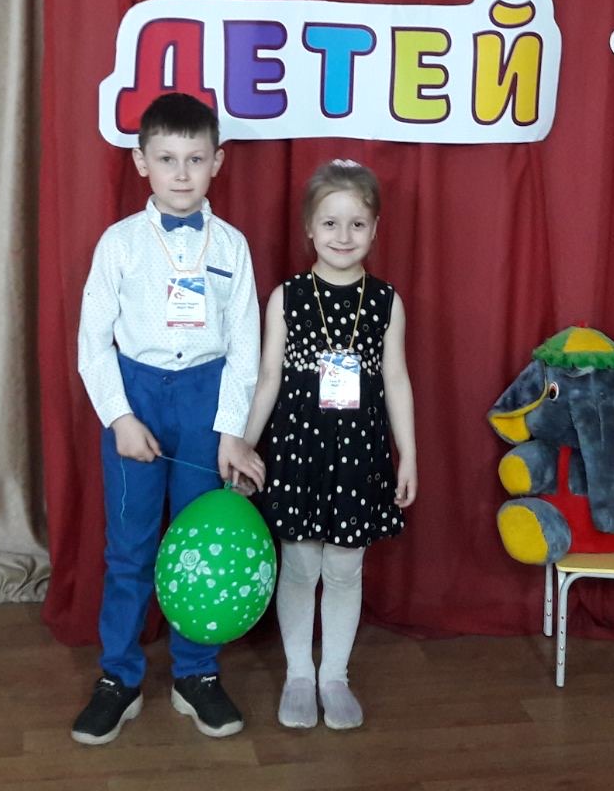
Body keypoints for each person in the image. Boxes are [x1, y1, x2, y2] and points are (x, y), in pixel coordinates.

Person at [70, 92, 266, 746]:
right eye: (167, 159)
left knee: (200, 547)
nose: (182, 173)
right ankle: (119, 677)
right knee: (129, 547)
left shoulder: (232, 246)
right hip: (137, 400)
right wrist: (120, 417)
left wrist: (232, 431)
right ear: (141, 162)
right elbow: (92, 341)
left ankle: (196, 673)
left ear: (218, 162)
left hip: (205, 403)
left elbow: (246, 347)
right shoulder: (120, 244)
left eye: (195, 159)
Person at [243, 158, 417, 731]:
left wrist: (408, 455)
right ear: (309, 229)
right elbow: (267, 379)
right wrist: (245, 446)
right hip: (298, 452)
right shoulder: (286, 297)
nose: (344, 236)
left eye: (357, 224)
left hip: (358, 457)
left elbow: (396, 380)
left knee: (344, 567)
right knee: (298, 566)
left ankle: (334, 675)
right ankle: (298, 674)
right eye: (331, 223)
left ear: (375, 228)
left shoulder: (386, 301)